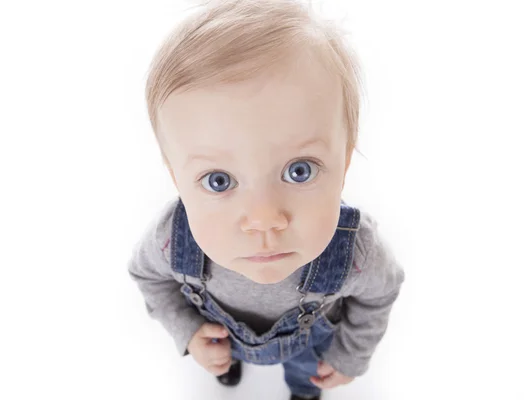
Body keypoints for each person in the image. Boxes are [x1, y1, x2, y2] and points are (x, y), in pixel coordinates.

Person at [128, 0, 405, 398]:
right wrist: (188, 332)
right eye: (219, 181)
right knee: (219, 351)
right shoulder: (171, 240)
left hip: (309, 346)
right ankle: (228, 369)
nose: (264, 220)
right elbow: (147, 277)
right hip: (224, 339)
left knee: (306, 375)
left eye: (300, 170)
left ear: (343, 163)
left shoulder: (358, 251)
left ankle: (302, 390)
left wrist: (350, 356)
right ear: (177, 180)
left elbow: (379, 295)